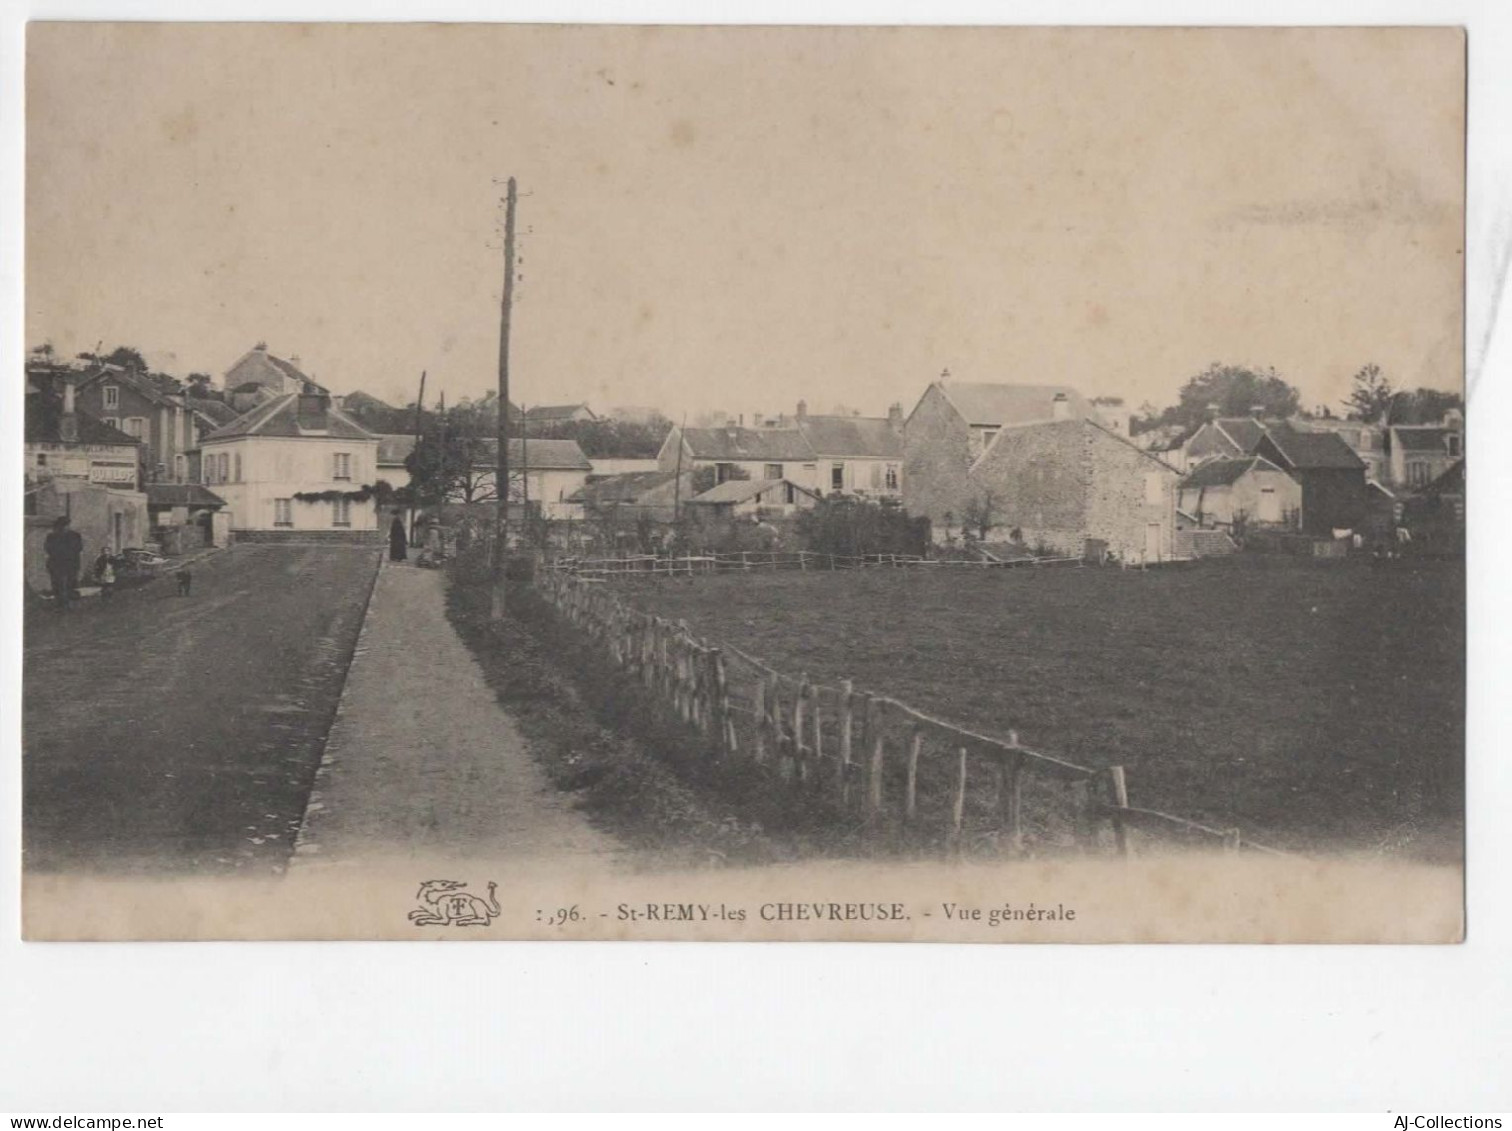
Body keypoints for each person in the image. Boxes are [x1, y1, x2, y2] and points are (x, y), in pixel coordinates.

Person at [43, 516, 84, 610]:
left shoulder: (75, 536)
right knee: (57, 585)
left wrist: (63, 552)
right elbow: (48, 549)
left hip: (70, 564)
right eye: (62, 525)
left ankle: (67, 604)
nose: (64, 527)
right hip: (56, 564)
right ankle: (61, 604)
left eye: (66, 525)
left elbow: (78, 548)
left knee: (69, 584)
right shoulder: (52, 536)